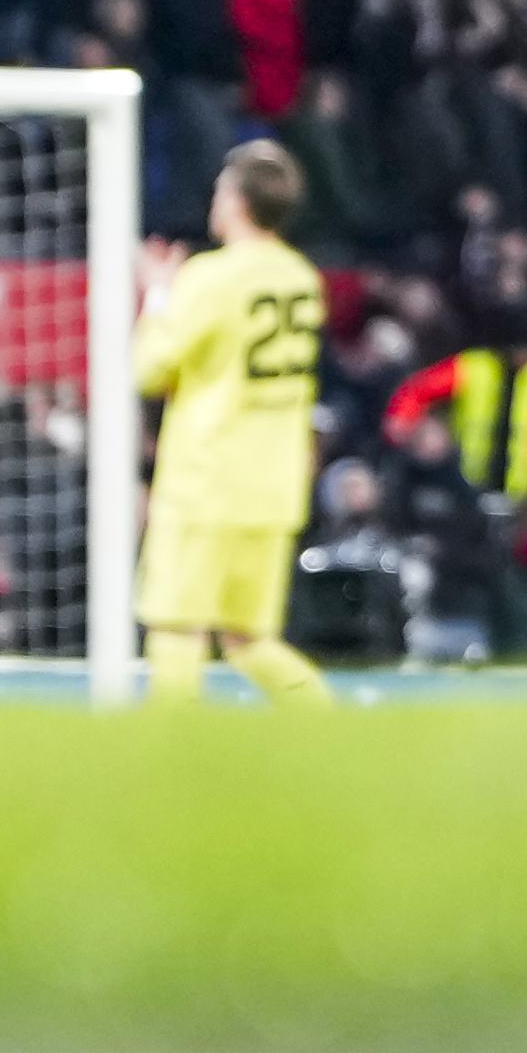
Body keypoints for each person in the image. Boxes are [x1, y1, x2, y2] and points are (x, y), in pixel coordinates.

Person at [135, 137, 335, 702]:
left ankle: (168, 761)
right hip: (273, 484)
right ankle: (330, 725)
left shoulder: (212, 276)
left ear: (238, 202)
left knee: (176, 627)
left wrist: (156, 294)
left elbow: (150, 367)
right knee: (247, 639)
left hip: (208, 477)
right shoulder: (302, 279)